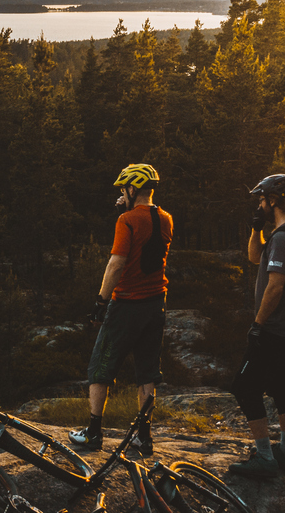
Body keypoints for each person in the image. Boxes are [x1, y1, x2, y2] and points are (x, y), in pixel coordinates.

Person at [68, 163, 173, 456]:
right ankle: (144, 437)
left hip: (126, 303)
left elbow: (117, 263)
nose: (121, 193)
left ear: (132, 189)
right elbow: (148, 247)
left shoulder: (126, 221)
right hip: (156, 303)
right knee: (147, 372)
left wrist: (100, 302)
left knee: (100, 367)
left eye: (123, 189)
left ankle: (93, 433)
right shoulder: (166, 218)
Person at [228, 173, 285, 480]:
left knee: (244, 388)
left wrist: (257, 325)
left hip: (272, 328)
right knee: (283, 385)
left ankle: (264, 456)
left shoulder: (283, 239)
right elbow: (253, 257)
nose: (258, 205)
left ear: (273, 201)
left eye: (261, 200)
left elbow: (275, 286)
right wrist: (256, 229)